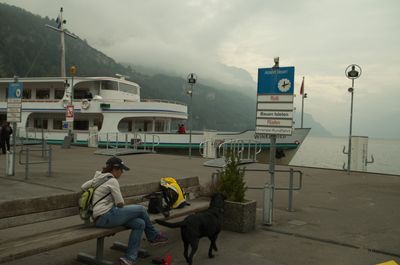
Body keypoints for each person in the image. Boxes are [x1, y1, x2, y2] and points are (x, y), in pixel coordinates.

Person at [81, 157, 168, 265]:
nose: (122, 173)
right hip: (106, 217)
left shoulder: (99, 178)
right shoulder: (112, 181)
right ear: (114, 169)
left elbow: (83, 186)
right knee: (141, 209)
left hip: (100, 218)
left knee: (140, 223)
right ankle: (153, 236)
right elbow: (120, 204)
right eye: (121, 170)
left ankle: (129, 258)